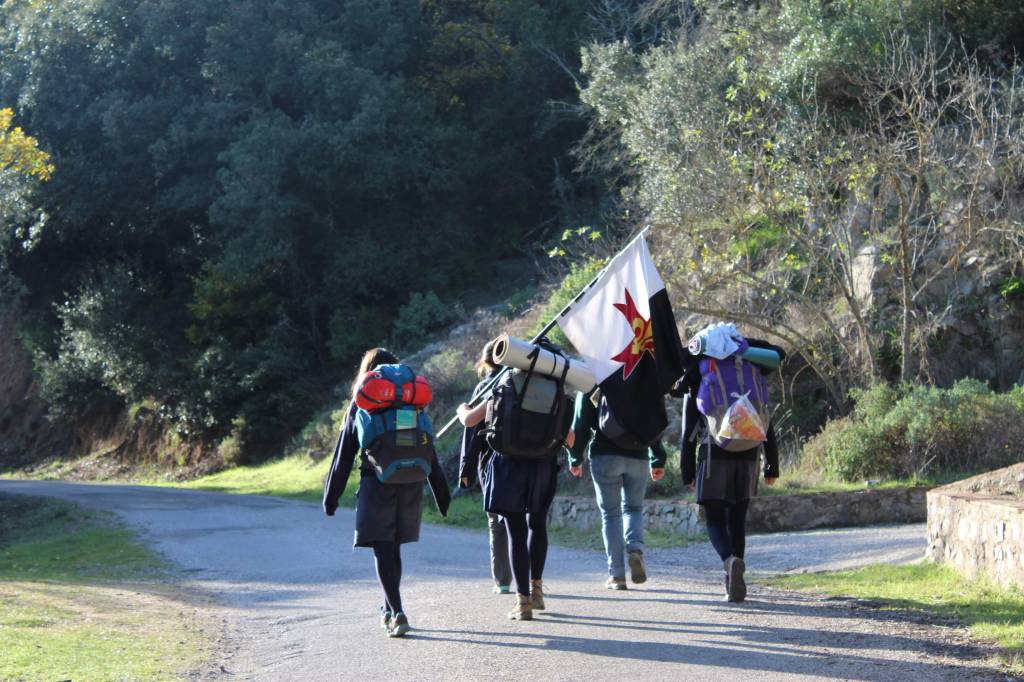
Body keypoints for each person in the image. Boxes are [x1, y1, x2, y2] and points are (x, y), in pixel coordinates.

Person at [323, 347, 450, 637]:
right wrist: (442, 495)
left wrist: (331, 497)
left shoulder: (362, 404)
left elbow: (343, 456)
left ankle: (397, 611)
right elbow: (429, 450)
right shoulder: (411, 406)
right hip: (411, 481)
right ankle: (389, 609)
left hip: (376, 482)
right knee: (394, 548)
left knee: (382, 548)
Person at [457, 346, 575, 622]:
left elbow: (471, 420)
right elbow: (570, 439)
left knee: (516, 532)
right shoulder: (554, 393)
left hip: (508, 466)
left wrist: (462, 408)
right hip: (542, 467)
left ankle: (522, 602)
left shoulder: (507, 383)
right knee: (538, 526)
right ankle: (537, 591)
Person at [675, 339, 782, 603]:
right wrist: (772, 465)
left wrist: (686, 471)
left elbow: (688, 433)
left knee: (714, 519)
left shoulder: (701, 375)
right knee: (736, 520)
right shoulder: (750, 372)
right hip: (749, 455)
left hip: (714, 454)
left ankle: (729, 561)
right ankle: (735, 580)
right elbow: (767, 423)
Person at [568, 390, 667, 589]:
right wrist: (658, 457)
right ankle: (636, 550)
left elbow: (580, 422)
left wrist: (575, 456)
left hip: (605, 456)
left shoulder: (594, 376)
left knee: (611, 515)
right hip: (638, 455)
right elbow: (654, 420)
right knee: (633, 508)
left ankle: (617, 575)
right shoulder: (640, 376)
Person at [458, 339, 513, 595]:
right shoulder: (518, 381)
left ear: (486, 361)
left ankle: (502, 580)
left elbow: (473, 432)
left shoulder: (486, 386)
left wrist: (466, 471)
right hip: (523, 458)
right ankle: (529, 576)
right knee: (520, 521)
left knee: (496, 522)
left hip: (491, 462)